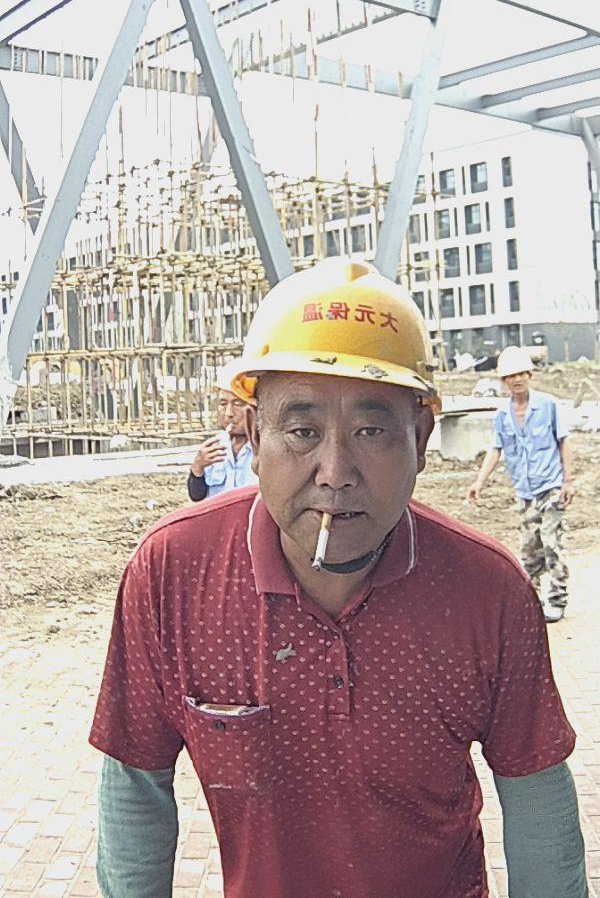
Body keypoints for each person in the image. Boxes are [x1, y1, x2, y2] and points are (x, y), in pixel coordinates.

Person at [90, 259, 587, 898]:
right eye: (302, 431)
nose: (334, 471)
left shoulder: (487, 590)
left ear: (421, 438)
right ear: (253, 434)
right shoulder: (173, 573)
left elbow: (535, 794)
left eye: (371, 431)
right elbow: (135, 784)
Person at [467, 346, 574, 624]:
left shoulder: (548, 406)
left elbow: (563, 442)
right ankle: (532, 601)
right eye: (511, 376)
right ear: (504, 381)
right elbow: (496, 449)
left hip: (550, 485)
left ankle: (557, 599)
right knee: (529, 549)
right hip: (525, 492)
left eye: (521, 374)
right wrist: (479, 482)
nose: (517, 380)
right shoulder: (503, 414)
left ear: (530, 375)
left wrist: (568, 481)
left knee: (551, 542)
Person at [187, 362, 257, 501]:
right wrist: (197, 468)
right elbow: (197, 497)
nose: (229, 413)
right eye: (223, 404)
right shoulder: (214, 447)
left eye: (238, 403)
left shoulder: (264, 449)